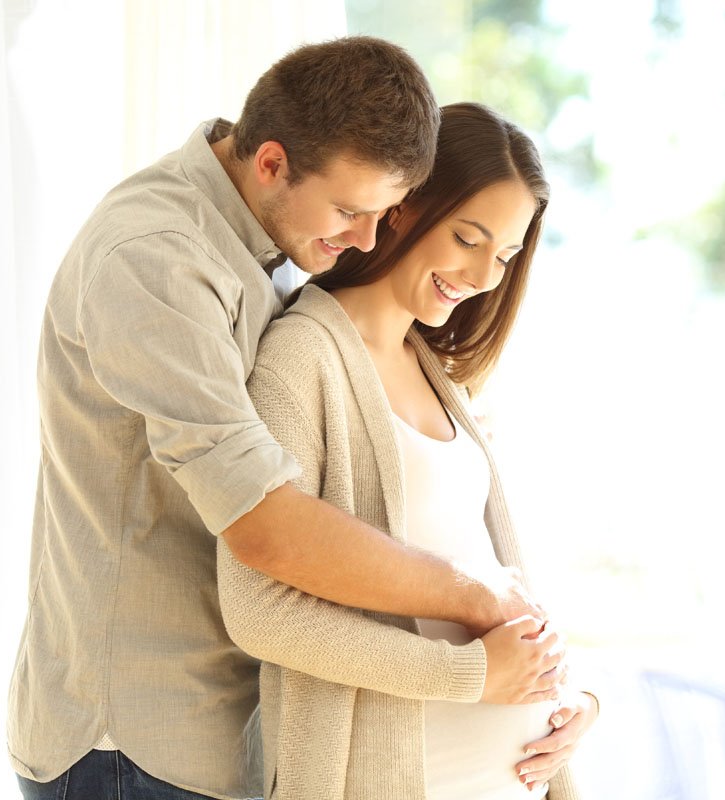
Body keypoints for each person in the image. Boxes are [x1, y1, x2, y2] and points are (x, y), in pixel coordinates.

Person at [8, 39, 562, 800]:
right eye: (352, 211)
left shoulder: (273, 253)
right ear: (271, 162)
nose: (368, 238)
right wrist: (479, 602)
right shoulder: (158, 257)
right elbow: (264, 525)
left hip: (218, 733)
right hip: (133, 742)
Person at [218, 102, 599, 800]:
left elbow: (492, 579)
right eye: (468, 237)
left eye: (506, 255)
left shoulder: (437, 373)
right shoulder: (304, 358)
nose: (485, 275)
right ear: (403, 206)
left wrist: (569, 699)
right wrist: (474, 676)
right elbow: (261, 613)